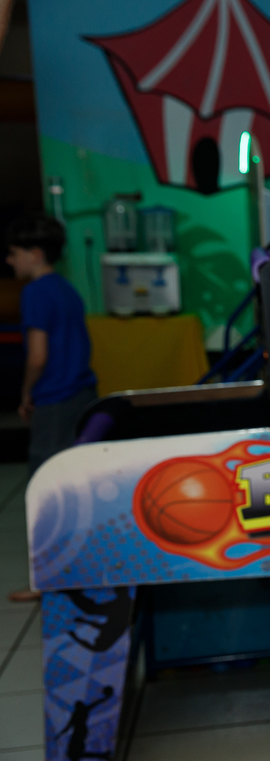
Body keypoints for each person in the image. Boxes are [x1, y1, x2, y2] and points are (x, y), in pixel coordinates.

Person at [7, 217, 97, 603]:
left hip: (55, 399)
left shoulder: (35, 293)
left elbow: (38, 356)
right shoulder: (67, 288)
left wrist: (26, 392)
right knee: (74, 486)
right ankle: (78, 568)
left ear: (34, 254)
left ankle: (47, 578)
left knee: (44, 490)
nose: (9, 261)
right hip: (83, 394)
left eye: (13, 254)